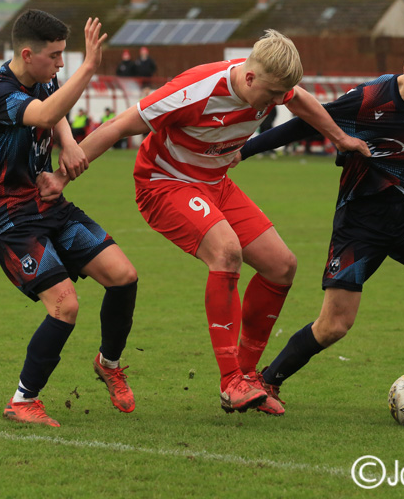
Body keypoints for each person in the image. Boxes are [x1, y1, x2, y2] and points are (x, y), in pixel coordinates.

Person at [38, 29, 371, 416]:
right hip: (164, 184)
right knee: (226, 252)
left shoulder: (273, 84)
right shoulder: (195, 90)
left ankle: (247, 377)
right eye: (272, 95)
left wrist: (339, 138)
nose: (279, 103)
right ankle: (231, 381)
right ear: (249, 78)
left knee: (282, 266)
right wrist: (63, 176)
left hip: (215, 184)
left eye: (284, 95)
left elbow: (303, 101)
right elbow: (120, 125)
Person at [236, 35, 404, 414]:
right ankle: (268, 380)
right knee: (334, 325)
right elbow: (304, 124)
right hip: (360, 223)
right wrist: (244, 150)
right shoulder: (368, 99)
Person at [0, 10, 139, 427]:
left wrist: (67, 144)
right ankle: (23, 401)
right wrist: (89, 67)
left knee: (123, 275)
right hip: (13, 219)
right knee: (65, 305)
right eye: (55, 56)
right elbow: (45, 114)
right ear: (27, 54)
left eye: (67, 55)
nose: (61, 63)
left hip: (50, 205)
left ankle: (109, 363)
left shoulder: (41, 78)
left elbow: (55, 112)